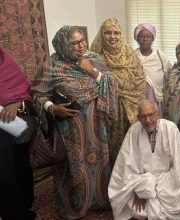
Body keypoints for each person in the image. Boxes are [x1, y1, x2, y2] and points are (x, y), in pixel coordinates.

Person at [31, 26, 118, 219]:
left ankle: (100, 201)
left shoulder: (94, 59)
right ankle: (76, 206)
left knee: (100, 162)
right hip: (69, 129)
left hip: (97, 127)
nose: (81, 45)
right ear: (63, 44)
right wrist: (52, 108)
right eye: (75, 42)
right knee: (74, 167)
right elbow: (37, 93)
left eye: (82, 40)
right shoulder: (52, 66)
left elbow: (111, 83)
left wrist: (92, 71)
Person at [108, 100, 180, 220]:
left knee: (176, 201)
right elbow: (125, 165)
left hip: (166, 183)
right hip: (141, 182)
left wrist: (155, 188)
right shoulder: (133, 131)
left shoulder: (170, 128)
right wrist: (139, 191)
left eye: (150, 115)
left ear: (158, 114)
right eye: (143, 116)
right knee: (134, 208)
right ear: (138, 117)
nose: (148, 120)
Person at [91, 18, 146, 166]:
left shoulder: (129, 53)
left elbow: (140, 78)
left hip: (132, 107)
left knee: (134, 145)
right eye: (108, 32)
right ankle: (115, 179)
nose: (113, 36)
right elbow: (91, 83)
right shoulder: (95, 56)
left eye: (116, 33)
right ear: (102, 34)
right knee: (113, 146)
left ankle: (135, 176)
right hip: (108, 109)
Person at [0, 47, 36, 220]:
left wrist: (17, 104)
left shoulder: (7, 66)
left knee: (17, 170)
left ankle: (21, 210)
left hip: (13, 129)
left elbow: (29, 99)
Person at [134, 23, 172, 114]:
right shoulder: (132, 56)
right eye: (141, 36)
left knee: (156, 122)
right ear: (137, 39)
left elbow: (170, 74)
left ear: (153, 39)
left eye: (148, 36)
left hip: (157, 98)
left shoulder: (160, 55)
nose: (145, 39)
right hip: (138, 98)